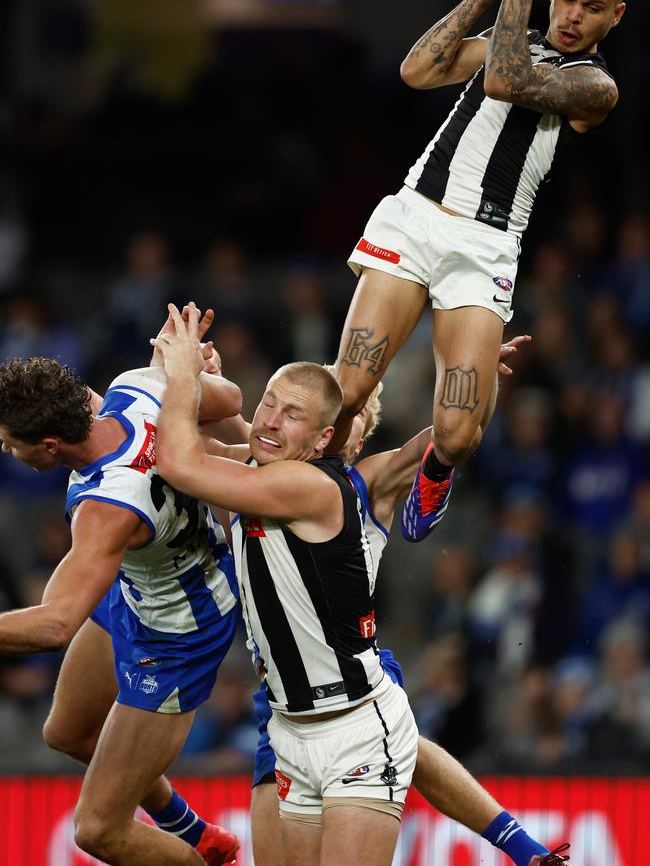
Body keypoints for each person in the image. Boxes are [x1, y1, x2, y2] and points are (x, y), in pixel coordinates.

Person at [333, 0, 628, 544]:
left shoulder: (596, 85)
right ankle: (308, 485)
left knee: (459, 432)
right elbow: (418, 71)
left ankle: (434, 474)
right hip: (415, 216)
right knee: (349, 386)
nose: (573, 15)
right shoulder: (513, 29)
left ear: (615, 17)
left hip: (486, 244)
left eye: (592, 7)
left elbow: (503, 78)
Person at [248, 344, 572, 866]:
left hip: (348, 677)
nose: (336, 422)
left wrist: (476, 376)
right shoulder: (258, 462)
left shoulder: (363, 481)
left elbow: (447, 436)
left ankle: (517, 843)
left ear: (352, 434)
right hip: (281, 697)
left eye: (349, 415)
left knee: (401, 744)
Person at [152, 304, 420, 866]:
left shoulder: (312, 486)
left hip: (354, 725)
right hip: (288, 729)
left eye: (290, 414)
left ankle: (511, 838)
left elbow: (180, 461)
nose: (270, 420)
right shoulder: (259, 468)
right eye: (267, 404)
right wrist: (197, 376)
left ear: (326, 438)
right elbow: (218, 442)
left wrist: (182, 376)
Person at [0, 311, 243, 866]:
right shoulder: (135, 389)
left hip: (180, 631)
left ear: (50, 444)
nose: (6, 451)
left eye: (9, 442)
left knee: (98, 830)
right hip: (142, 586)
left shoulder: (107, 510)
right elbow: (227, 400)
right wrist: (188, 374)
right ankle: (192, 830)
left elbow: (55, 623)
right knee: (66, 731)